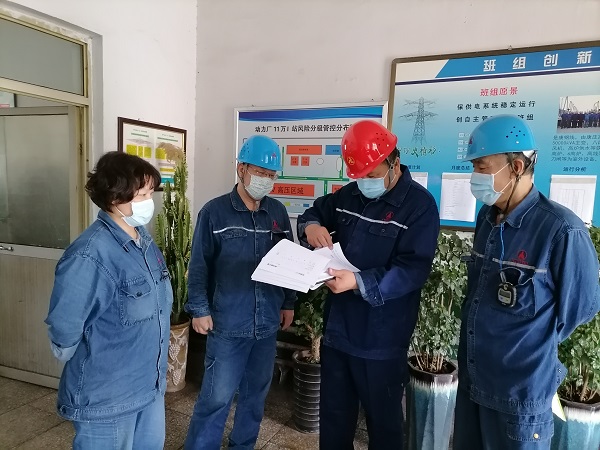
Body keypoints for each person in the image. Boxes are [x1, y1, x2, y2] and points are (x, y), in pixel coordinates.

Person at [453, 115, 600, 450]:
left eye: (482, 167)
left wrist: (531, 341)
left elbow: (582, 307)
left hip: (520, 398)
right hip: (474, 381)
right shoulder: (487, 218)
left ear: (516, 167)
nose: (475, 176)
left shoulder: (562, 230)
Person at [297, 120, 440, 450]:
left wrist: (359, 282)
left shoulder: (419, 207)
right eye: (358, 176)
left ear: (394, 163)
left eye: (372, 175)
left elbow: (412, 270)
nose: (364, 183)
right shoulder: (350, 194)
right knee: (334, 421)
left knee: (384, 426)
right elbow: (315, 211)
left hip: (381, 340)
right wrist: (311, 226)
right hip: (338, 332)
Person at [45, 151, 172, 449]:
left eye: (150, 193)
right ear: (116, 197)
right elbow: (64, 328)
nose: (149, 201)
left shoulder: (143, 241)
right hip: (108, 397)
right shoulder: (90, 254)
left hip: (149, 387)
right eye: (142, 194)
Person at [184, 135, 296, 450]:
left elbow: (288, 261)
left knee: (255, 397)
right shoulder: (214, 212)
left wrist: (288, 302)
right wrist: (199, 309)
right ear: (241, 169)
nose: (266, 180)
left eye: (271, 175)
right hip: (228, 323)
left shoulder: (277, 212)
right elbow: (199, 265)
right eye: (260, 172)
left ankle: (243, 446)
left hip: (267, 323)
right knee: (216, 398)